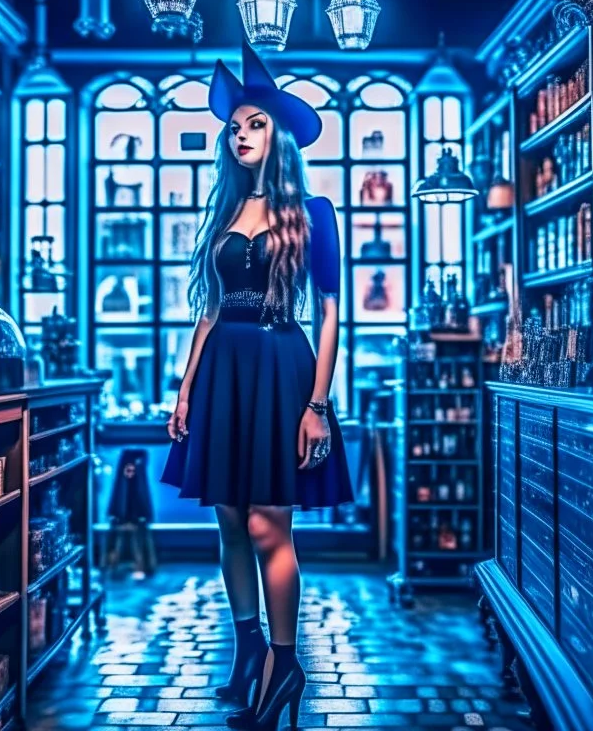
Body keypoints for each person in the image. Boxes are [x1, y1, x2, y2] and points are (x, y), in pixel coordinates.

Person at [162, 44, 353, 731]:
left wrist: (318, 405)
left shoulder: (316, 213)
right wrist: (185, 390)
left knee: (268, 522)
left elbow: (332, 313)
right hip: (221, 373)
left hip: (280, 367)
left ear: (279, 136)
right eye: (234, 125)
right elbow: (209, 309)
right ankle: (246, 654)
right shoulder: (223, 211)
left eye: (254, 123)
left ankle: (282, 664)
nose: (240, 134)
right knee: (226, 519)